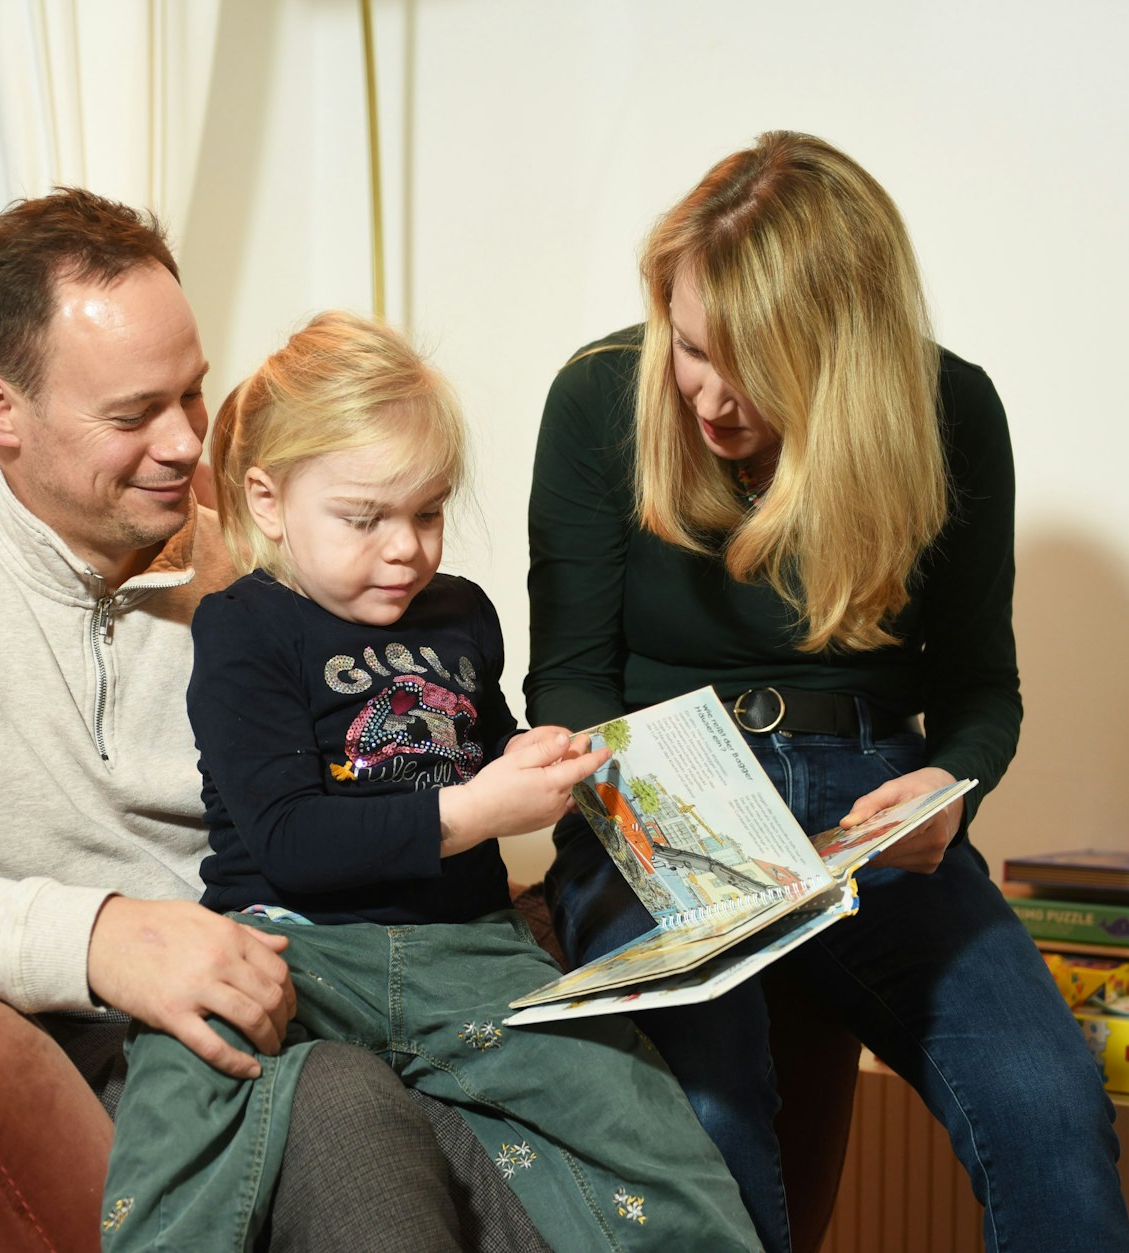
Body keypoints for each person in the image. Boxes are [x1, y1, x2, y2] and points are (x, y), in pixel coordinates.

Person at [0, 188, 550, 1251]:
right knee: (343, 1108)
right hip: (95, 1046)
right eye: (131, 415)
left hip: (338, 987)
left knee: (557, 1124)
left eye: (193, 394)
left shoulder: (275, 577)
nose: (182, 444)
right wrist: (98, 934)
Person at [525, 132, 1129, 1252]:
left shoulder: (948, 407)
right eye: (691, 346)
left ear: (839, 355)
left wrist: (946, 790)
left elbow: (976, 689)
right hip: (657, 785)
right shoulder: (599, 396)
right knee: (704, 1115)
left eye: (751, 363)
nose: (706, 394)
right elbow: (566, 675)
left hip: (865, 802)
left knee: (1048, 1103)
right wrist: (611, 798)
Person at [102, 311, 763, 1252]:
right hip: (296, 946)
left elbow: (485, 749)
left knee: (635, 1104)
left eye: (428, 511)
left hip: (470, 950)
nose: (406, 548)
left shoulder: (458, 613)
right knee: (187, 1047)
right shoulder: (245, 627)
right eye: (365, 518)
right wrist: (474, 809)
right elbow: (290, 838)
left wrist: (540, 763)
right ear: (269, 500)